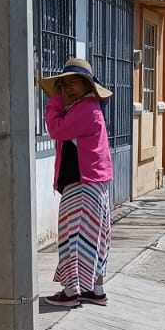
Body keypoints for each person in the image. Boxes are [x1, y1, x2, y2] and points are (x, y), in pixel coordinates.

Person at [39, 59, 115, 307]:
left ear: (87, 86)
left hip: (83, 185)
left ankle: (71, 292)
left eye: (74, 82)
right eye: (64, 84)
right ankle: (95, 290)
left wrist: (54, 101)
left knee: (74, 239)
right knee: (93, 239)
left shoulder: (85, 110)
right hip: (91, 183)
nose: (69, 87)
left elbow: (55, 129)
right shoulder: (88, 108)